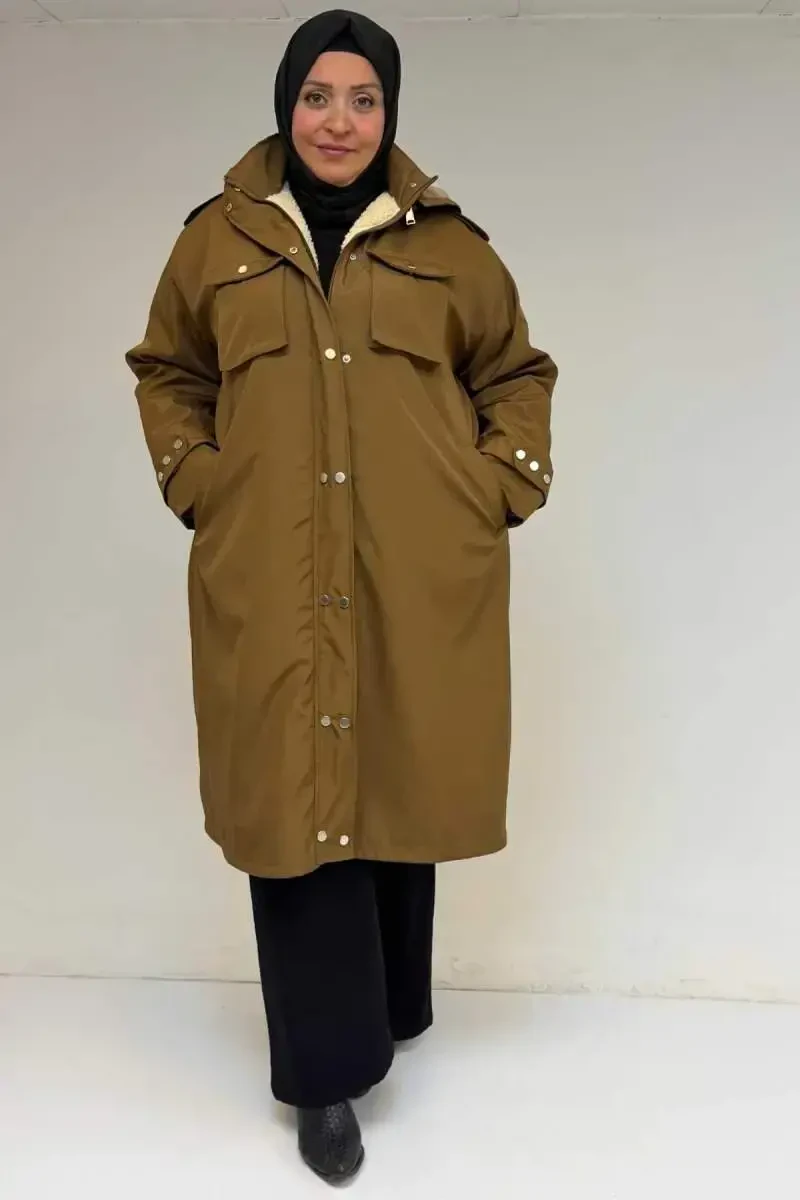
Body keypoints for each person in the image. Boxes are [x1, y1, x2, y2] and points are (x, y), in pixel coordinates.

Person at [125, 7, 557, 1186]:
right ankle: (324, 1077)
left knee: (390, 777)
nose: (338, 121)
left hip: (412, 566)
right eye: (317, 96)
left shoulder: (450, 247)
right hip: (270, 565)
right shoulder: (214, 241)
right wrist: (200, 482)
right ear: (285, 104)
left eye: (362, 100)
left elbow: (513, 372)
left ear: (388, 113)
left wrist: (496, 487)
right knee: (292, 802)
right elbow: (168, 371)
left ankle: (389, 1012)